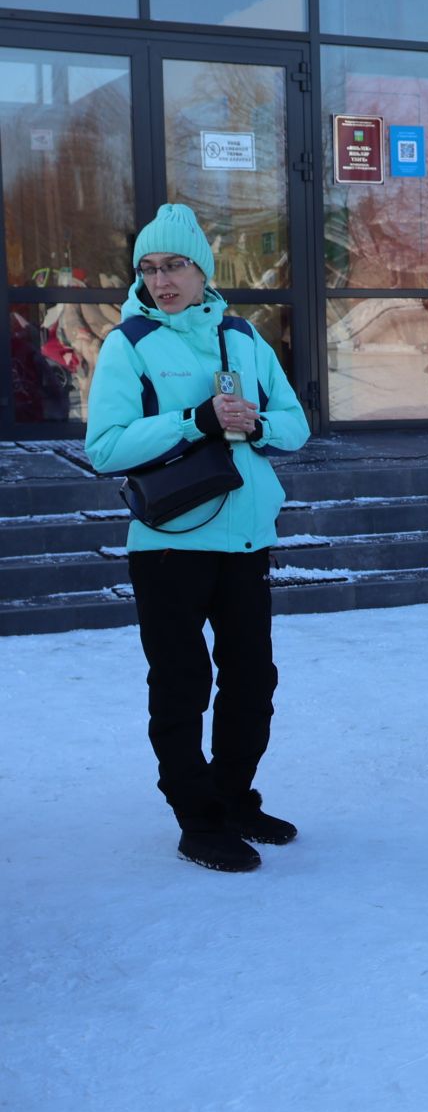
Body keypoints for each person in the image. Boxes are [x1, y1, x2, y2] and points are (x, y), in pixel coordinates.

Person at [84, 203, 312, 873]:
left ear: (201, 269)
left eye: (174, 265)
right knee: (182, 683)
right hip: (167, 544)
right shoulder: (128, 343)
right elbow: (105, 446)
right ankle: (197, 817)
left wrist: (255, 424)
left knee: (251, 680)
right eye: (149, 268)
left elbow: (295, 426)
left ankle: (235, 796)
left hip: (243, 540)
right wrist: (194, 420)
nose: (162, 280)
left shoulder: (243, 337)